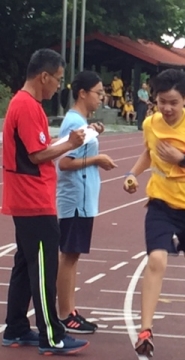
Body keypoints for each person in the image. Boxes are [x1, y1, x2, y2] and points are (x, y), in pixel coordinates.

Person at [122, 68, 185, 358]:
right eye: (161, 101)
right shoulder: (151, 123)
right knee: (156, 259)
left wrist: (183, 159)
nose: (166, 108)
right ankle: (146, 331)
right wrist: (133, 174)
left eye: (173, 102)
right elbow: (148, 152)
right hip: (160, 203)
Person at [1, 48, 89, 355]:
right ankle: (51, 334)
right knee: (43, 267)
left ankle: (15, 328)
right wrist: (70, 143)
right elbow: (37, 155)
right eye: (58, 80)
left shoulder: (27, 105)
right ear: (44, 76)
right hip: (33, 199)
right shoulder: (26, 105)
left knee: (26, 266)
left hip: (28, 197)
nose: (59, 87)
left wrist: (64, 142)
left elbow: (36, 147)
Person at [56, 70, 117, 334]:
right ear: (83, 93)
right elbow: (64, 162)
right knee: (69, 255)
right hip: (75, 199)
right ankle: (63, 314)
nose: (101, 98)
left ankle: (70, 309)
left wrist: (92, 132)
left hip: (83, 198)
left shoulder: (81, 122)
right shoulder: (73, 123)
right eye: (98, 93)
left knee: (73, 254)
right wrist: (97, 159)